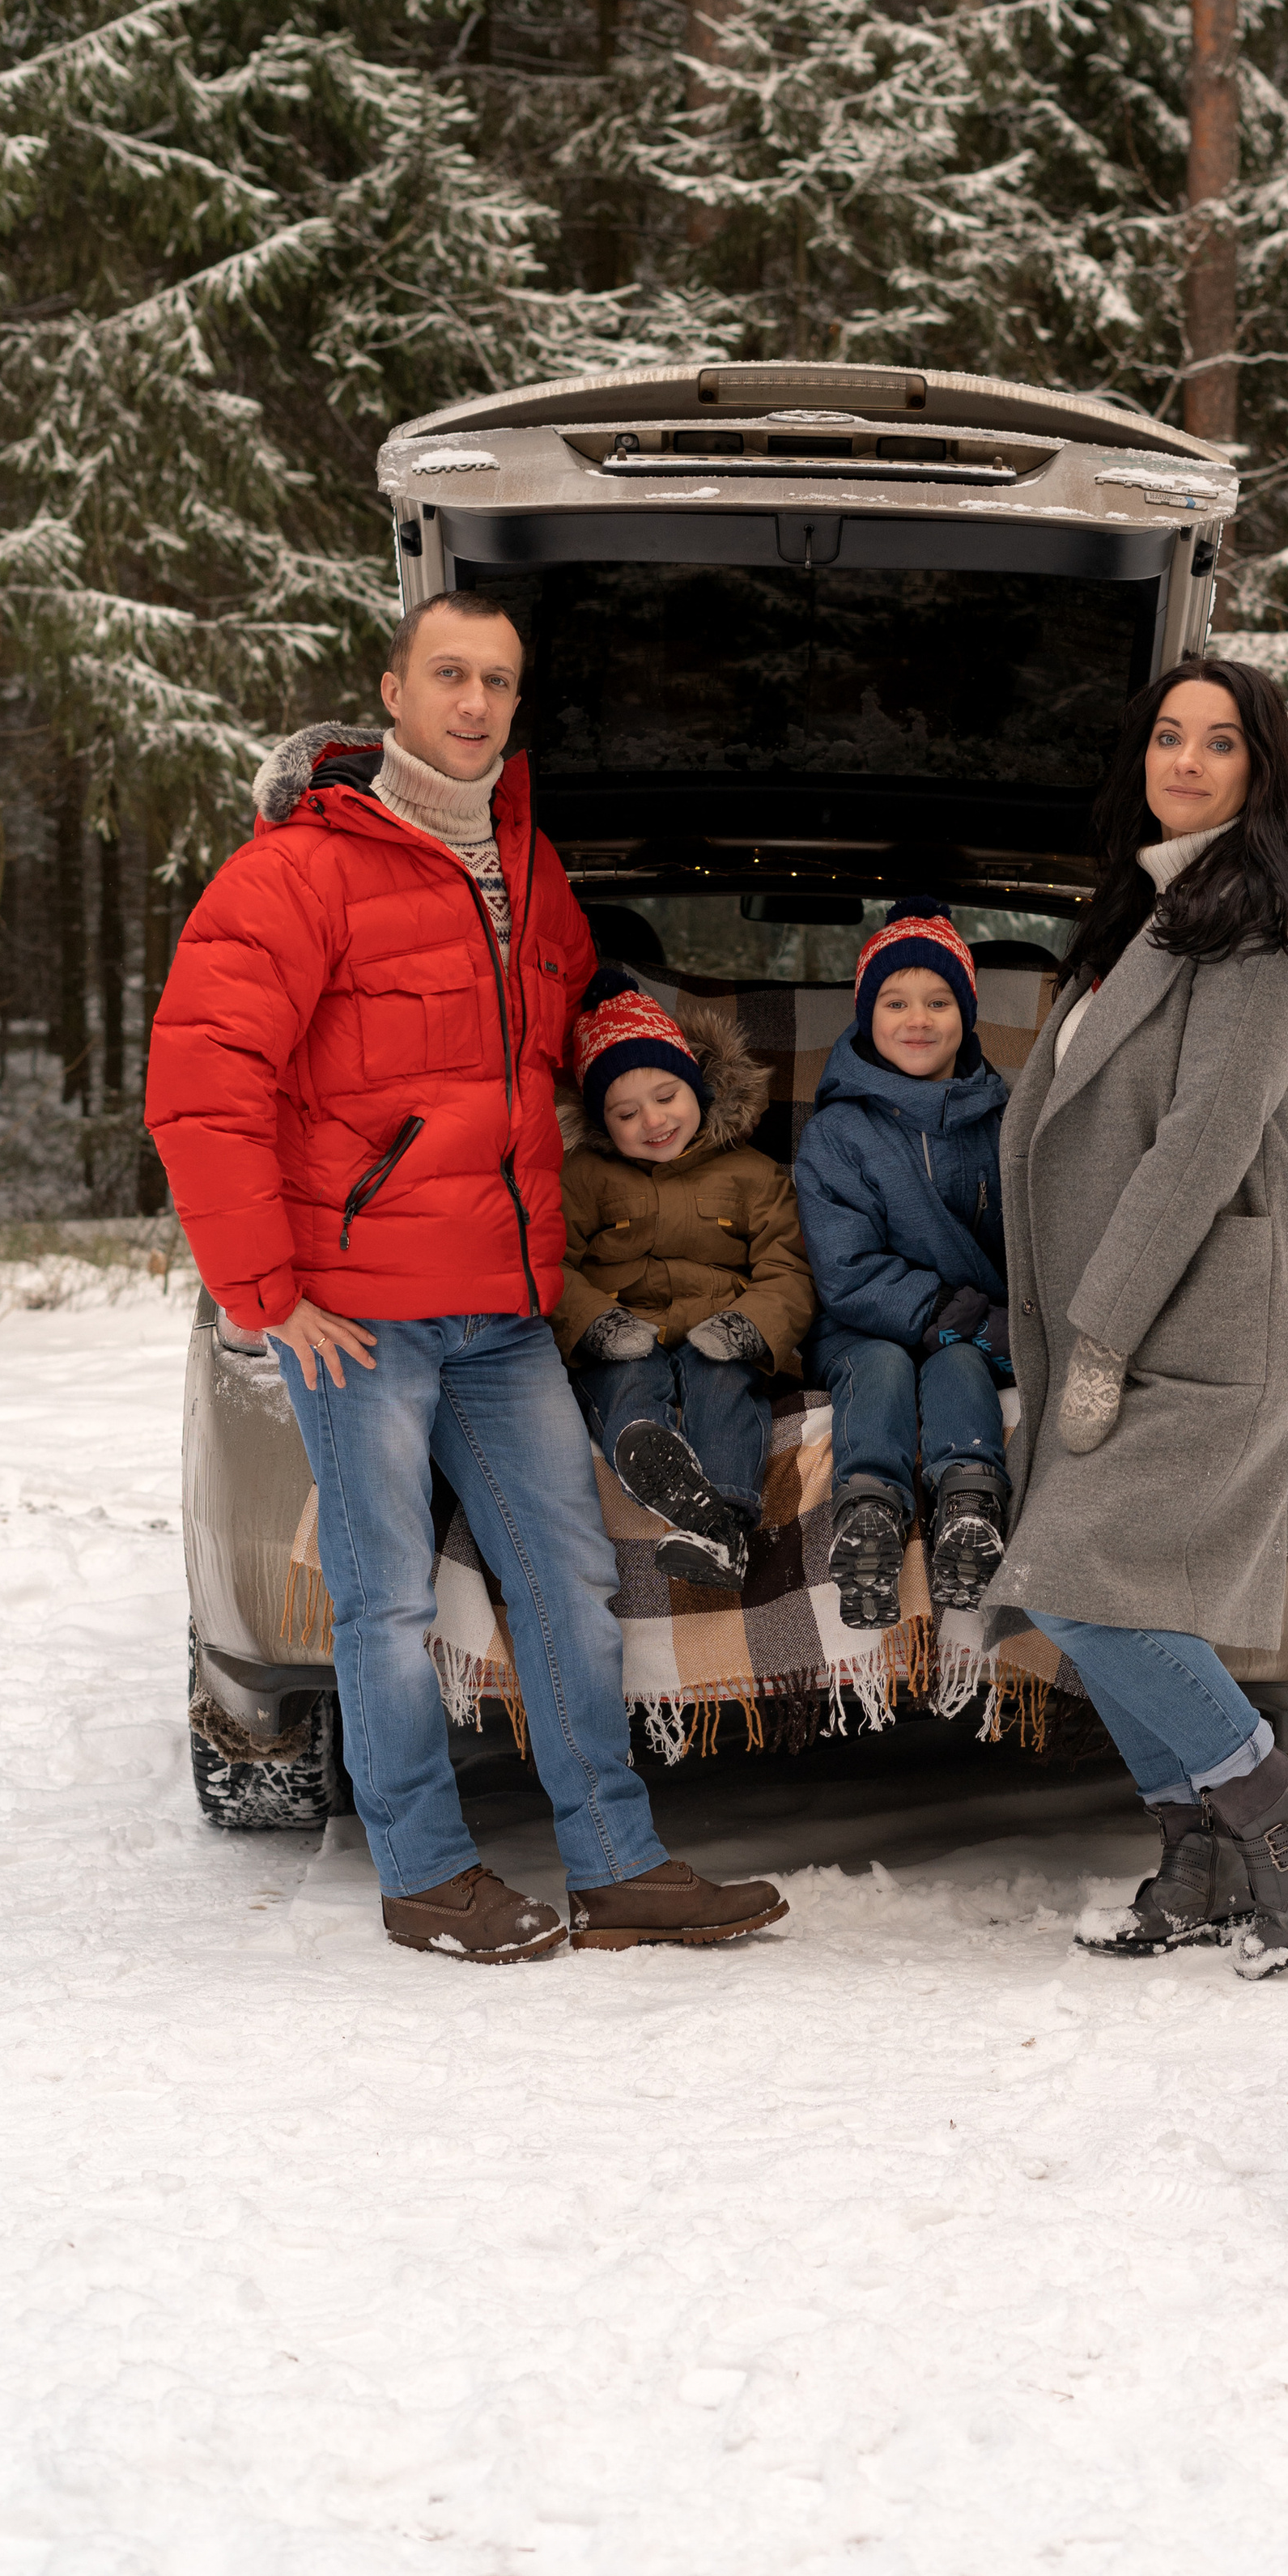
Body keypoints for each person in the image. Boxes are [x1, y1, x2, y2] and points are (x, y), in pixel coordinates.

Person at [145, 589, 788, 1962]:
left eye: (498, 679)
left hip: (500, 1314)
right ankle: (428, 1875)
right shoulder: (299, 869)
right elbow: (202, 1088)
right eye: (450, 674)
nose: (475, 703)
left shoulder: (529, 866)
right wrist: (266, 1293)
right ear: (392, 692)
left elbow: (557, 1057)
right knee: (382, 1602)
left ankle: (617, 1865)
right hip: (359, 1315)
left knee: (568, 1575)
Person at [980, 660, 1288, 1977]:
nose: (1187, 760)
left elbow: (1203, 1145)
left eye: (1220, 742)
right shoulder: (1149, 908)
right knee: (1108, 1584)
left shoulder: (1268, 919)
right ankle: (1195, 1856)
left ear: (1262, 769)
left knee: (1081, 1583)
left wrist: (1104, 1332)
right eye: (1166, 737)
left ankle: (1276, 1806)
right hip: (1133, 1308)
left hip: (1195, 1316)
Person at [793, 903, 1015, 1629]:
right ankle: (868, 1521)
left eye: (938, 1001)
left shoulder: (1006, 1120)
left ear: (967, 1012)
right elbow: (847, 1271)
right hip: (866, 1325)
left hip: (973, 1330)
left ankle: (969, 1513)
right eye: (895, 1002)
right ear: (866, 1015)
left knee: (958, 1368)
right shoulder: (838, 1132)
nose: (917, 1019)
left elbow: (1034, 1240)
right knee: (886, 1365)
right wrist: (959, 1315)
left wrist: (1007, 1326)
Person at [556, 972, 814, 1593]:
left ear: (697, 1085)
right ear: (602, 1120)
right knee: (624, 1385)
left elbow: (788, 1269)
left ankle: (722, 1523)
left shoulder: (754, 1173)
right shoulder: (583, 1176)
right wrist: (597, 1324)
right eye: (626, 1112)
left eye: (666, 1096)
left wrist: (750, 1327)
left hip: (719, 1334)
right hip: (625, 1333)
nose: (653, 1120)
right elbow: (550, 1264)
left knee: (722, 1386)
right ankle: (658, 1466)